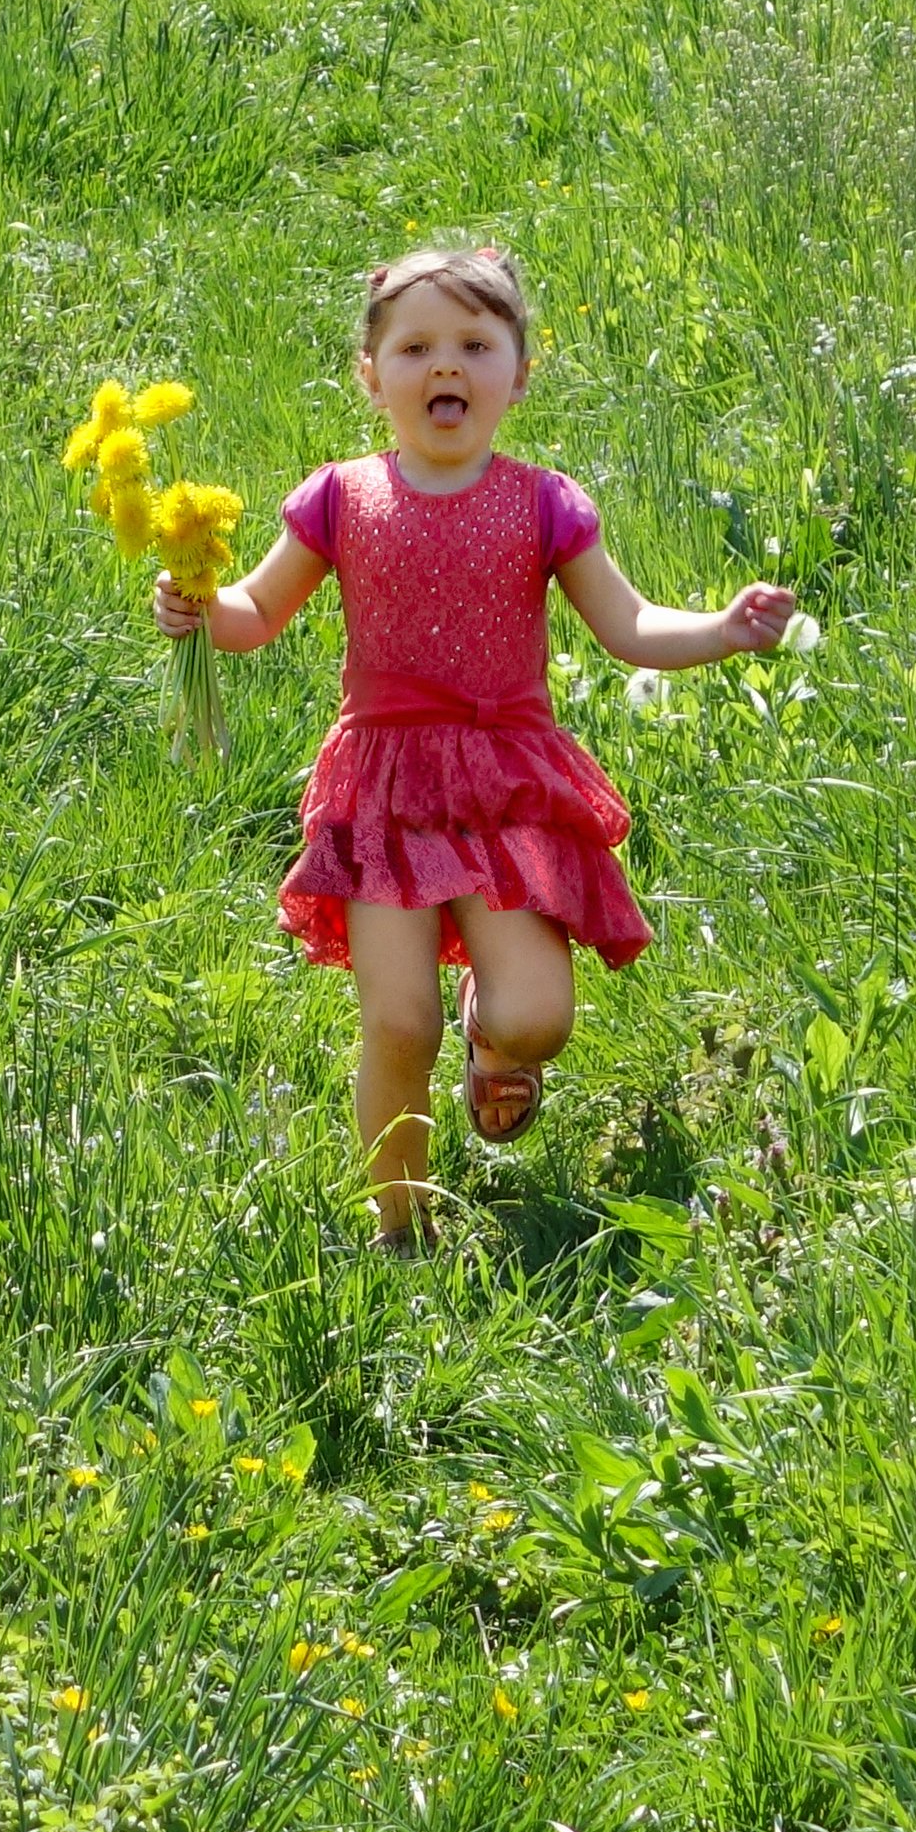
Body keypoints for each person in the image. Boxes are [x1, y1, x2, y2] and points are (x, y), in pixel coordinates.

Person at [152, 245, 796, 1243]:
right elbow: (257, 613)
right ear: (372, 377)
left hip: (504, 783)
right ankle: (399, 1231)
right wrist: (200, 600)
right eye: (415, 347)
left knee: (541, 1015)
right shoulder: (341, 497)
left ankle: (493, 1045)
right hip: (385, 790)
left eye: (474, 343)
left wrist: (722, 627)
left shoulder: (543, 504)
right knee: (394, 1022)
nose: (444, 365)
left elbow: (628, 627)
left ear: (517, 373)